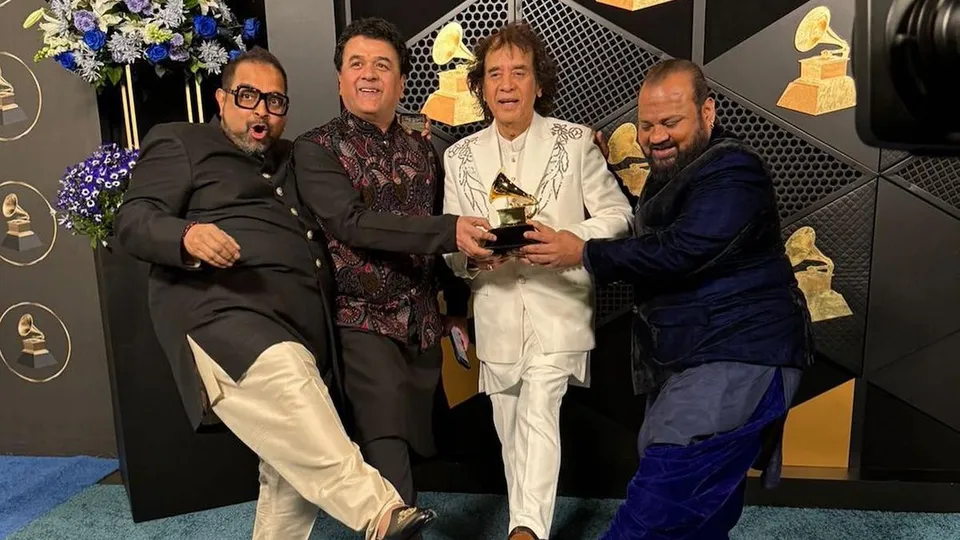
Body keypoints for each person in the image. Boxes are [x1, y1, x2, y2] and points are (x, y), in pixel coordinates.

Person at [113, 47, 439, 540]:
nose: (261, 111)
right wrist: (184, 236)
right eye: (247, 96)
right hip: (225, 318)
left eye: (275, 101)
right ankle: (377, 510)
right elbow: (132, 220)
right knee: (288, 382)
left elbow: (359, 186)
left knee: (289, 475)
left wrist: (415, 130)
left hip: (303, 331)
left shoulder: (294, 158)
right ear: (221, 99)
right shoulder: (182, 142)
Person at [522, 58, 815, 539]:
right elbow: (659, 227)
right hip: (696, 356)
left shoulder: (735, 169)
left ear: (707, 113)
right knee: (701, 514)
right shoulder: (679, 173)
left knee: (653, 511)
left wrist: (584, 252)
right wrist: (597, 163)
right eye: (646, 124)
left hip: (739, 352)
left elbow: (684, 247)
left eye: (671, 122)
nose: (656, 136)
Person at [290, 18, 493, 511]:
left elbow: (432, 238)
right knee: (385, 442)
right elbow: (352, 223)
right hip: (359, 320)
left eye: (383, 65)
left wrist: (458, 306)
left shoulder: (423, 149)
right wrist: (450, 229)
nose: (369, 75)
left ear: (402, 81)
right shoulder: (315, 149)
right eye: (356, 64)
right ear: (339, 78)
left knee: (411, 437)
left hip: (422, 323)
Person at [441, 22, 633, 540]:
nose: (506, 85)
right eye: (495, 74)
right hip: (496, 311)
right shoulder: (457, 157)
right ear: (481, 86)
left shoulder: (573, 142)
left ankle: (527, 531)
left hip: (560, 305)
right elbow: (449, 247)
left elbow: (619, 214)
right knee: (509, 426)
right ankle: (523, 524)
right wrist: (474, 260)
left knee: (540, 406)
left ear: (538, 83)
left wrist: (573, 242)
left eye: (519, 73)